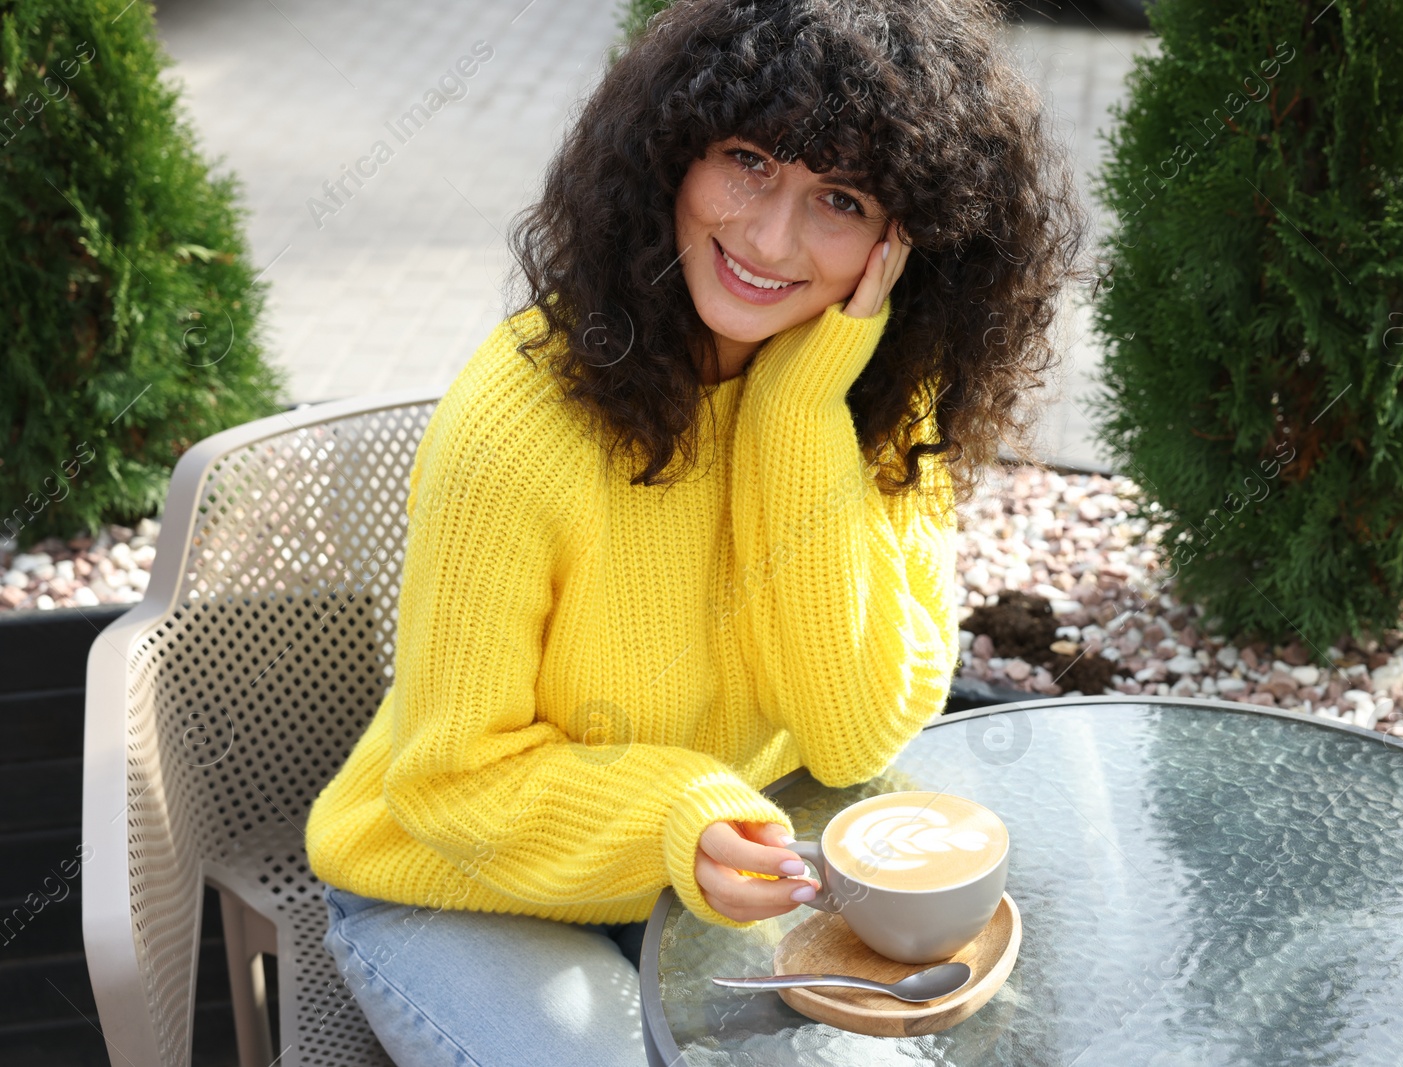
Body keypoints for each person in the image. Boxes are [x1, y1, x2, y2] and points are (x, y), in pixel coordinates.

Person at [304, 0, 1085, 1062]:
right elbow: (449, 780)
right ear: (670, 152)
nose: (769, 238)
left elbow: (855, 736)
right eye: (749, 159)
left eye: (840, 199)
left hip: (711, 879)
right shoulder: (519, 427)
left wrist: (796, 415)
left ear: (906, 242)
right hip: (459, 886)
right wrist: (678, 813)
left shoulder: (870, 392)